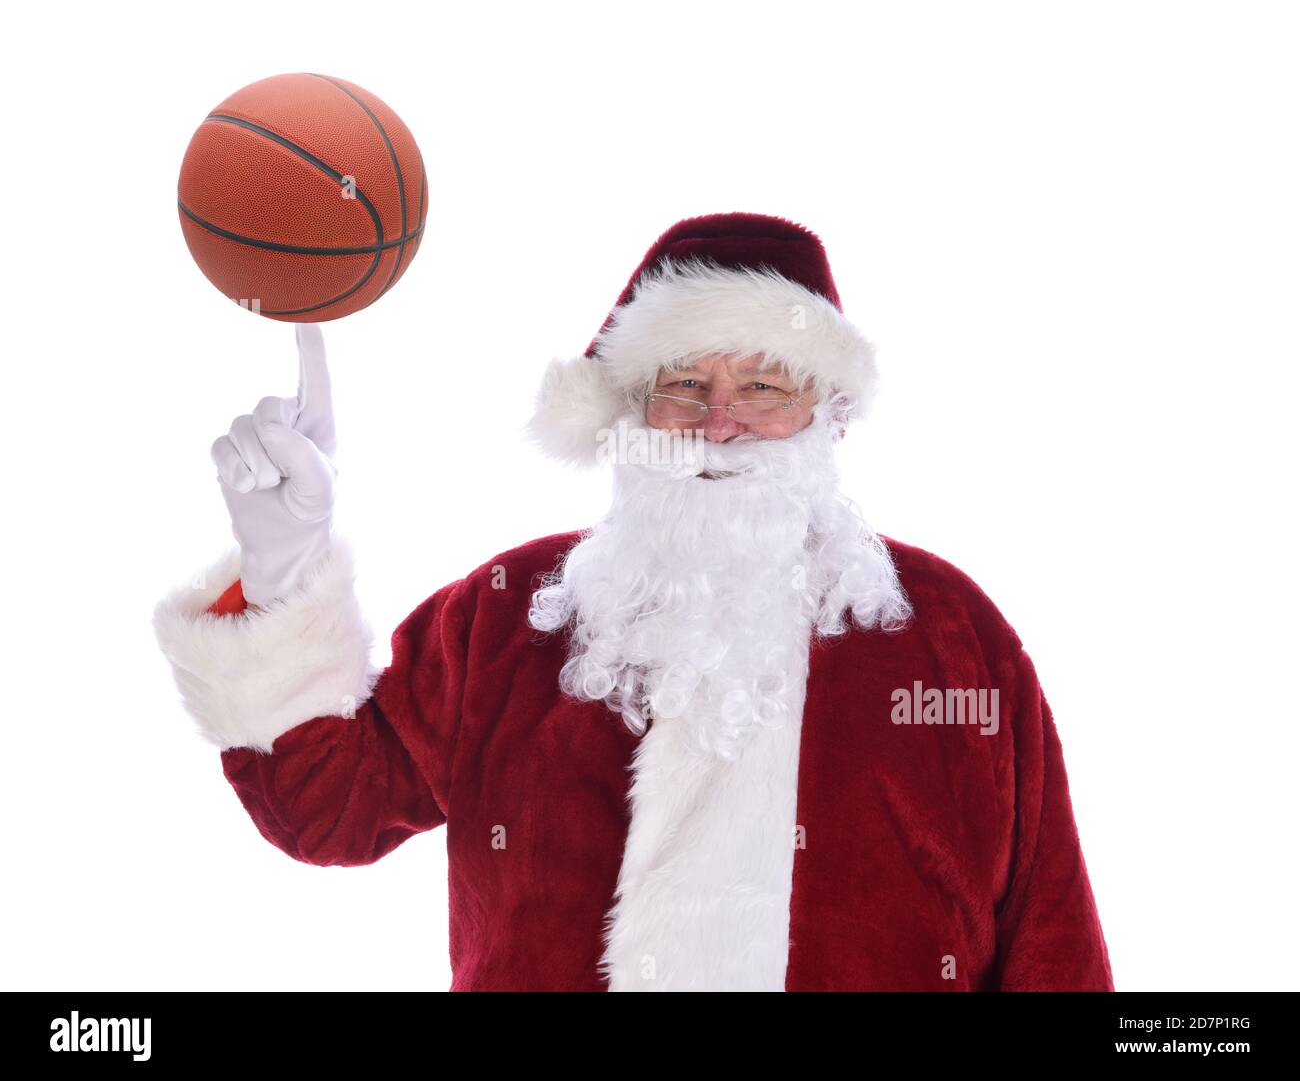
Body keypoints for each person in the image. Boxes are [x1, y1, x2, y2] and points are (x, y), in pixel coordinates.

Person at [153, 212, 1114, 992]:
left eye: (766, 384)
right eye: (683, 385)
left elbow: (1052, 937)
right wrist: (283, 570)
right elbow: (329, 811)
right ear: (625, 415)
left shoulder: (947, 636)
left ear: (829, 415)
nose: (721, 421)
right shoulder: (508, 617)